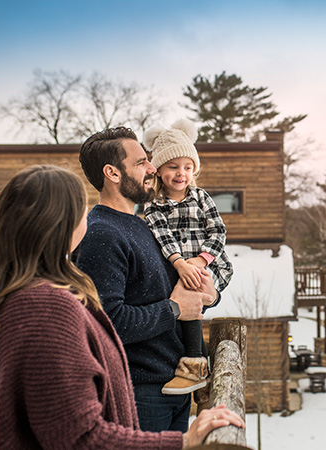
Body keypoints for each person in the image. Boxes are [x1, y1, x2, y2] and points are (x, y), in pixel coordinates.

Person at [0, 165, 244, 448]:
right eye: (80, 209)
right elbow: (81, 438)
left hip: (170, 386)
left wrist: (207, 296)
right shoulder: (46, 308)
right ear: (64, 223)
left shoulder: (29, 295)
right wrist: (184, 442)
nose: (150, 169)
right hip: (147, 391)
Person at [75, 126, 219, 433]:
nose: (152, 168)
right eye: (141, 162)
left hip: (175, 389)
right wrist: (174, 309)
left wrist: (209, 296)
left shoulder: (144, 226)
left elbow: (171, 295)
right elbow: (106, 323)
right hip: (139, 394)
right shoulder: (101, 234)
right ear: (112, 173)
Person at [143, 119, 233, 395]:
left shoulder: (202, 197)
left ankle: (195, 365)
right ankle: (192, 362)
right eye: (172, 167)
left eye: (187, 167)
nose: (181, 173)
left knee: (189, 292)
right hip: (179, 268)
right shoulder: (153, 206)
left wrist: (200, 260)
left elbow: (217, 231)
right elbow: (162, 237)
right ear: (158, 170)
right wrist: (181, 263)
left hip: (211, 264)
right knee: (183, 297)